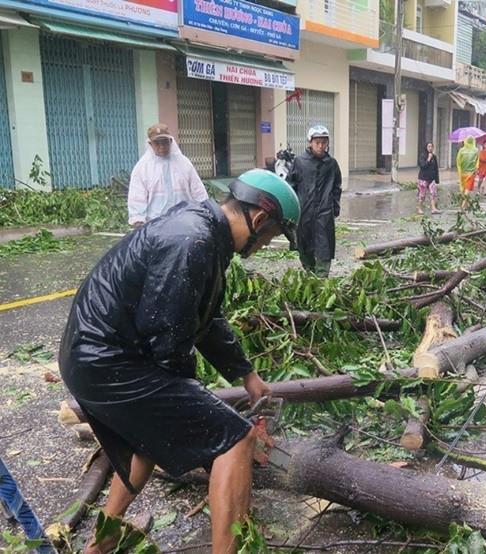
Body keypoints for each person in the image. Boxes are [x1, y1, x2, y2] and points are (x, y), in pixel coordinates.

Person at [59, 169, 300, 554]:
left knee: (149, 438)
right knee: (236, 439)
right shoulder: (193, 241)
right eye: (271, 237)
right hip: (107, 362)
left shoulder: (205, 232)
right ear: (258, 220)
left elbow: (207, 318)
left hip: (92, 358)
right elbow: (168, 341)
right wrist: (207, 423)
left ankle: (101, 542)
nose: (265, 245)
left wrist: (247, 375)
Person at [127, 123, 208, 228]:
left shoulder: (184, 163)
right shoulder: (142, 168)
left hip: (185, 223)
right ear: (150, 144)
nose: (162, 147)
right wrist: (139, 223)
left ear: (170, 141)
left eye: (165, 142)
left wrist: (205, 211)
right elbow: (136, 198)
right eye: (157, 143)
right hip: (155, 226)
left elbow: (198, 191)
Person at [287, 125, 342, 278]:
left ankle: (322, 278)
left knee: (324, 247)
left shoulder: (331, 164)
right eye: (317, 142)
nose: (321, 146)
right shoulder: (299, 162)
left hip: (324, 212)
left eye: (324, 142)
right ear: (310, 143)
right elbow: (291, 186)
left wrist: (335, 207)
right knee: (304, 246)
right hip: (304, 211)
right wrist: (292, 209)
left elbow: (337, 187)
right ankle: (310, 273)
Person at [417, 142, 440, 215]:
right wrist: (428, 159)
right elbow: (423, 166)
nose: (430, 148)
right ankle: (419, 208)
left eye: (431, 146)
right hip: (423, 179)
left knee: (433, 194)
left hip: (431, 179)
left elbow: (436, 168)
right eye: (429, 146)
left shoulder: (434, 156)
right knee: (422, 195)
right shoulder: (422, 155)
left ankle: (433, 208)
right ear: (426, 147)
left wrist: (437, 180)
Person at [456, 136, 479, 210]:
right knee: (467, 189)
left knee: (463, 188)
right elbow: (477, 161)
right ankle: (463, 204)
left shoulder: (461, 150)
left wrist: (459, 171)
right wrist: (476, 169)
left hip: (462, 173)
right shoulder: (476, 150)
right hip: (471, 173)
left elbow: (458, 162)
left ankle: (465, 204)